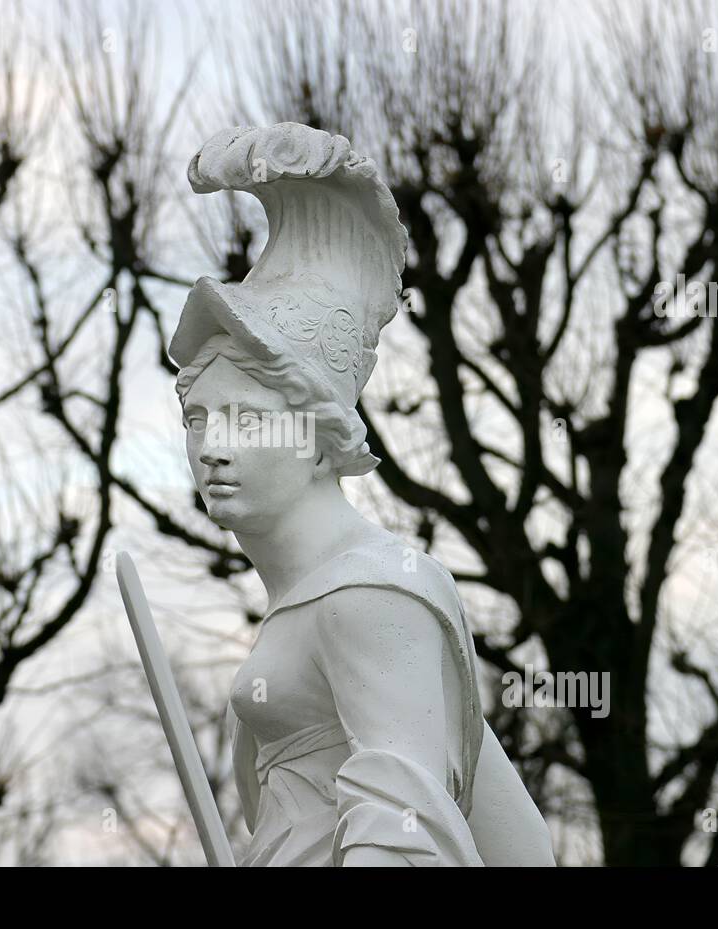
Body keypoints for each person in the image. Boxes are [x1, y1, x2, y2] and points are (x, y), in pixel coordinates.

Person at [170, 123, 554, 866]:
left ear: (318, 435)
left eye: (248, 419)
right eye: (198, 418)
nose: (212, 445)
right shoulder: (323, 597)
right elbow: (518, 840)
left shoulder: (372, 594)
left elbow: (403, 835)